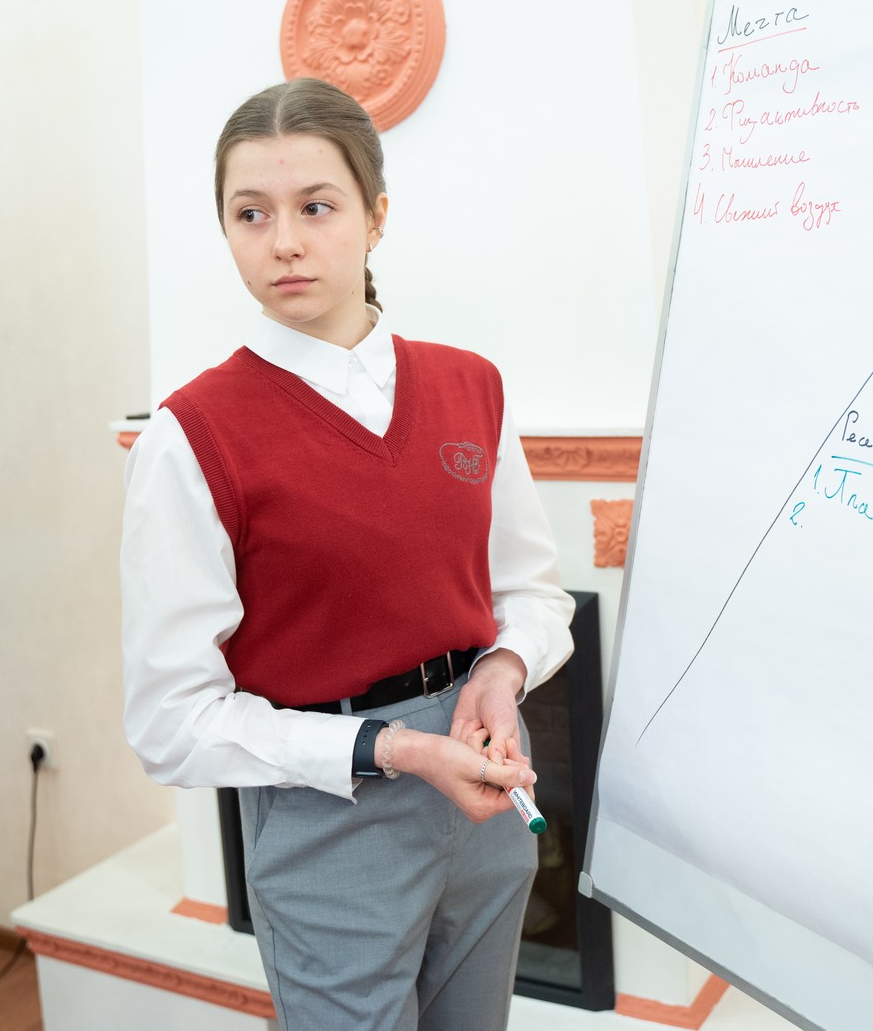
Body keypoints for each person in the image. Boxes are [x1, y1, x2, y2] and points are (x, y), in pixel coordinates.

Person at [120, 77, 575, 1031]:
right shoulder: (190, 437)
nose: (284, 241)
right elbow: (169, 721)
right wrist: (392, 747)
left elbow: (534, 590)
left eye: (316, 207)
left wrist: (502, 669)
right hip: (328, 820)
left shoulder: (472, 387)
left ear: (375, 217)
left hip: (487, 788)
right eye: (251, 213)